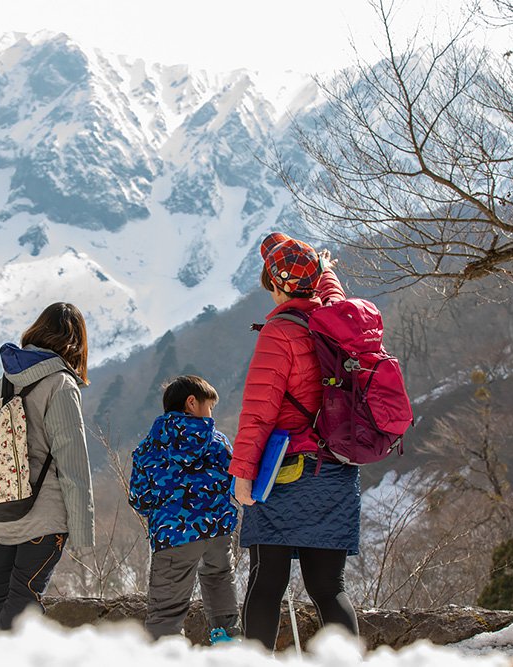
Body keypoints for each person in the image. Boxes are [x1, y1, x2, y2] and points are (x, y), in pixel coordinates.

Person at [229, 232, 359, 650]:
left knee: (266, 583)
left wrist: (243, 474)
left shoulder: (279, 333)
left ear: (278, 283)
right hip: (337, 470)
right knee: (328, 588)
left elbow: (258, 411)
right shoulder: (338, 319)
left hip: (288, 473)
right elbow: (332, 292)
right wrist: (326, 272)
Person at [0, 302, 95, 630]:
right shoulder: (60, 383)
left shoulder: (1, 383)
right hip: (42, 516)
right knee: (24, 599)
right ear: (75, 343)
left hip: (1, 510)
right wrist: (82, 531)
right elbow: (72, 460)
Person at [128, 375, 241, 643]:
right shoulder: (218, 441)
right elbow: (236, 482)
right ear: (192, 402)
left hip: (173, 535)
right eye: (209, 406)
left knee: (166, 614)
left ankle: (166, 655)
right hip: (216, 532)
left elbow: (139, 498)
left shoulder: (149, 447)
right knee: (222, 597)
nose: (211, 413)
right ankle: (227, 651)